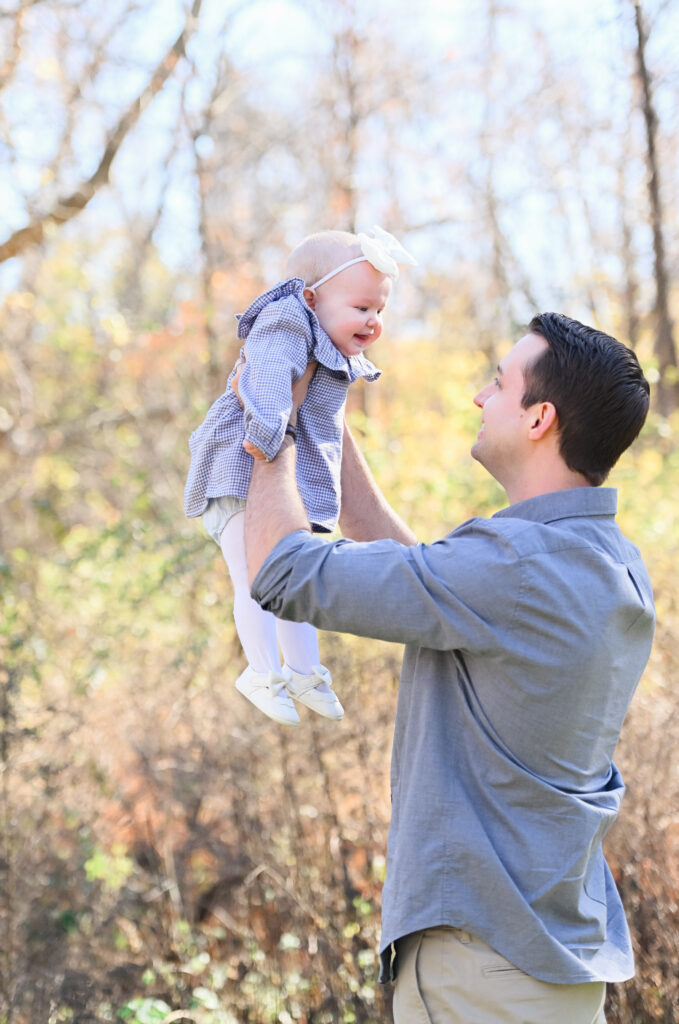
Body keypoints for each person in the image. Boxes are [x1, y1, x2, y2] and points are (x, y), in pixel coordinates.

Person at [241, 313, 655, 1023]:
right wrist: (322, 410)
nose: (478, 397)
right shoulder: (605, 561)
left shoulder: (514, 568)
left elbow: (283, 573)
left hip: (478, 970)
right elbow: (411, 566)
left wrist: (268, 419)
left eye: (497, 383)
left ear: (539, 420)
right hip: (548, 970)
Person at [184, 226, 416, 727]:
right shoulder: (288, 320)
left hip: (283, 477)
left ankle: (304, 669)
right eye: (362, 308)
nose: (374, 322)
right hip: (240, 461)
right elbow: (265, 373)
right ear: (312, 297)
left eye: (380, 311)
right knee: (254, 577)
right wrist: (269, 430)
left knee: (298, 574)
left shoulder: (327, 339)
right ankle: (261, 672)